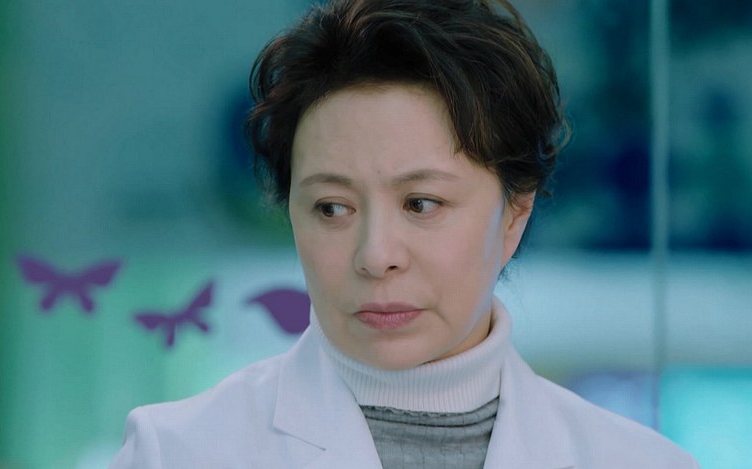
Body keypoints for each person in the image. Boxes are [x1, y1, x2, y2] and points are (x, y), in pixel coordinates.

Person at [110, 0, 699, 467]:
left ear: (514, 215)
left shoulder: (637, 462)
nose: (376, 256)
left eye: (421, 203)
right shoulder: (177, 453)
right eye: (332, 208)